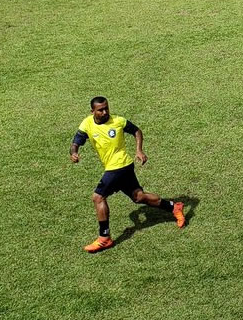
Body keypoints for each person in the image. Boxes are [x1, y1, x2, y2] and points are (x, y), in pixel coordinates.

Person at [69, 97, 185, 253]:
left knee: (98, 197)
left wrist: (139, 150)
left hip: (120, 166)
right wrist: (74, 153)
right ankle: (174, 207)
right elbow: (76, 141)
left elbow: (136, 131)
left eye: (106, 108)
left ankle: (104, 238)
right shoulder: (87, 123)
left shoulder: (118, 121)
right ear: (92, 111)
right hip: (118, 167)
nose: (105, 112)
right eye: (100, 110)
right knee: (139, 197)